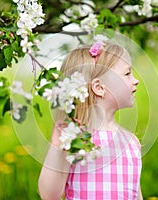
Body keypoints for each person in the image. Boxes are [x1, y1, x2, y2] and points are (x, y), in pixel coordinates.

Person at [38, 42, 142, 200]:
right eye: (127, 74)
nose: (136, 81)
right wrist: (57, 147)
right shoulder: (75, 139)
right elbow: (49, 195)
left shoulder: (131, 143)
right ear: (99, 87)